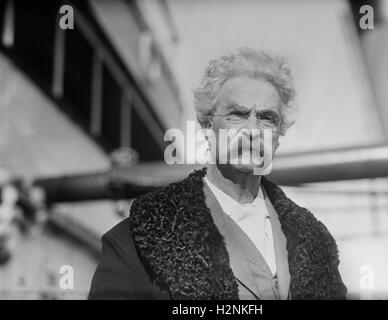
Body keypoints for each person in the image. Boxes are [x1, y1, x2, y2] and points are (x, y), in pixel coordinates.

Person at [89, 48, 347, 300]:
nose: (252, 130)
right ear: (207, 126)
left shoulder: (316, 243)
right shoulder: (142, 238)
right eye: (238, 114)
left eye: (267, 119)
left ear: (278, 137)